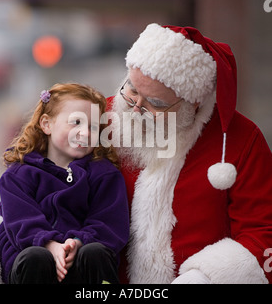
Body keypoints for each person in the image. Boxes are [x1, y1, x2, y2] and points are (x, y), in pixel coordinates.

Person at [108, 23, 272, 284]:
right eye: (132, 90)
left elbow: (263, 231)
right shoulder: (103, 119)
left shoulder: (242, 140)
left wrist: (204, 278)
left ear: (192, 102)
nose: (136, 108)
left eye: (156, 103)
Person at [0, 82, 129, 284]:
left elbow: (109, 223)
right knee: (36, 256)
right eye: (76, 122)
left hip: (81, 261)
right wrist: (50, 244)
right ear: (46, 124)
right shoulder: (18, 175)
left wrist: (76, 243)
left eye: (93, 127)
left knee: (95, 252)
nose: (85, 133)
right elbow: (20, 221)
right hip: (33, 262)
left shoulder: (104, 174)